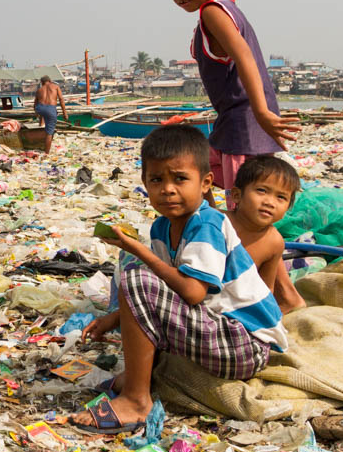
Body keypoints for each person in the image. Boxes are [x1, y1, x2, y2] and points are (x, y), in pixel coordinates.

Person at [79, 126, 287, 434]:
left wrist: (137, 251)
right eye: (156, 180)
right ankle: (140, 380)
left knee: (136, 270)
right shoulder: (163, 227)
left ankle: (137, 400)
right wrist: (114, 318)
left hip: (246, 345)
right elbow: (160, 294)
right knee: (137, 270)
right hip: (219, 332)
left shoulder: (208, 224)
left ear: (205, 184)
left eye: (179, 178)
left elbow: (191, 292)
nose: (167, 189)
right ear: (144, 184)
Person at [160, 0, 299, 205]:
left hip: (243, 121)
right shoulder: (223, 9)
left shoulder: (213, 11)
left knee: (242, 201)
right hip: (235, 120)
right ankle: (213, 220)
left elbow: (245, 58)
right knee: (194, 171)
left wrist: (260, 112)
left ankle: (235, 237)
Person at [226, 156, 304, 313]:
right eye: (262, 190)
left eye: (281, 197)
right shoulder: (220, 221)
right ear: (236, 195)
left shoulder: (273, 241)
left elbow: (265, 288)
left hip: (237, 306)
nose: (270, 202)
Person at [34, 75, 68, 153]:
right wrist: (64, 113)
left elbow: (35, 104)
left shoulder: (39, 90)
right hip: (50, 109)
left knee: (44, 113)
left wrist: (36, 113)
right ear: (50, 81)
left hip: (40, 108)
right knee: (49, 133)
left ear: (42, 82)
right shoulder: (55, 87)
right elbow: (61, 100)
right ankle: (47, 153)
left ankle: (41, 122)